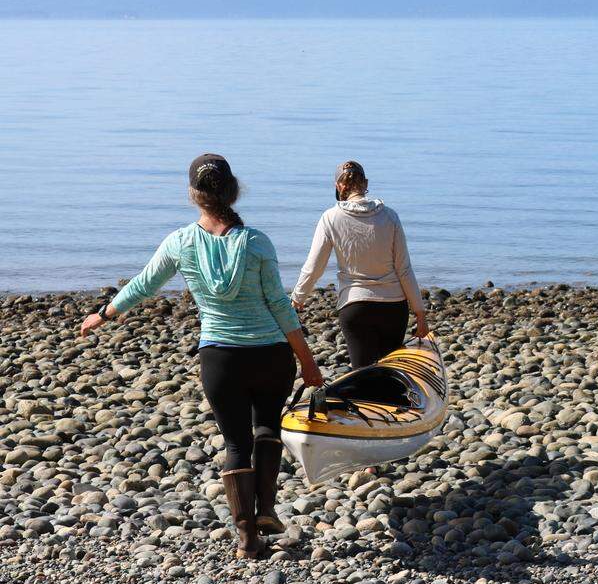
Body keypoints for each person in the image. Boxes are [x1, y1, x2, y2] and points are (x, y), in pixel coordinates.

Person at [79, 154, 323, 560]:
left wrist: (104, 314)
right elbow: (281, 306)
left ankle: (246, 537)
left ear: (194, 195)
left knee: (235, 443)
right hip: (270, 355)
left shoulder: (181, 242)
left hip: (220, 358)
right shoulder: (257, 242)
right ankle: (266, 510)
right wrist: (308, 360)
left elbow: (143, 285)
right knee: (267, 428)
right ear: (233, 191)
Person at [291, 160, 429, 369]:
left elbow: (314, 267)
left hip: (355, 307)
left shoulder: (330, 218)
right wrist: (420, 314)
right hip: (393, 308)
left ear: (338, 186)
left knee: (363, 374)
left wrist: (297, 299)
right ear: (365, 183)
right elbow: (404, 269)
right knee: (389, 372)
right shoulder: (390, 216)